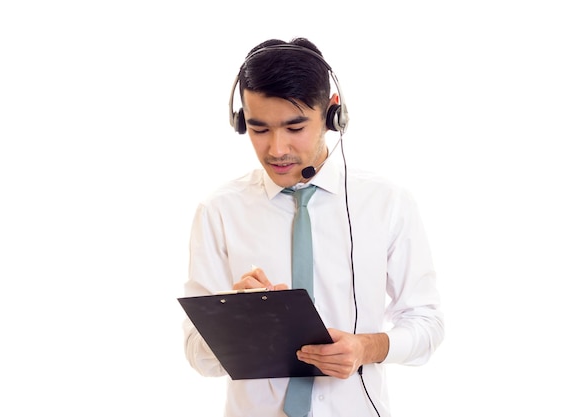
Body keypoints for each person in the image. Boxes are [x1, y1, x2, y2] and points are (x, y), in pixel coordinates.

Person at [182, 37, 444, 417]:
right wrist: (239, 320)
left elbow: (427, 324)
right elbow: (196, 356)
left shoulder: (387, 203)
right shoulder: (219, 210)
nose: (276, 149)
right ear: (240, 122)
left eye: (295, 127)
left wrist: (366, 348)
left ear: (333, 114)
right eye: (258, 129)